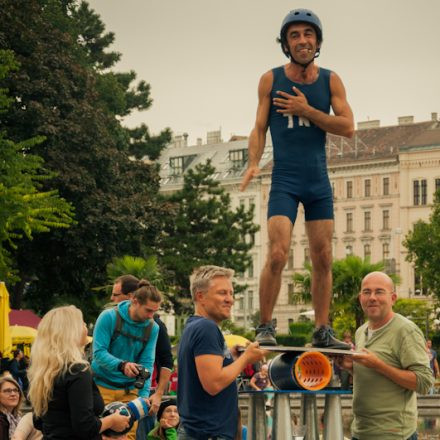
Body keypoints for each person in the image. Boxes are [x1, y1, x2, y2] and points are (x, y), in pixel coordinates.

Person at [240, 8, 354, 347]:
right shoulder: (271, 79)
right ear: (286, 44)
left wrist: (307, 111)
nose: (302, 40)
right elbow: (259, 127)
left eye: (308, 34)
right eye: (295, 35)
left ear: (317, 41)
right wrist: (253, 162)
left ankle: (322, 330)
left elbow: (347, 127)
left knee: (323, 256)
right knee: (277, 253)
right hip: (285, 180)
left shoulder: (330, 80)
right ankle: (264, 327)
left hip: (318, 180)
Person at [339, 272, 433, 440]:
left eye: (379, 292)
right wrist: (351, 368)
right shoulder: (361, 331)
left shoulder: (406, 330)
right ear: (360, 297)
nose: (372, 297)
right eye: (367, 292)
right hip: (360, 432)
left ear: (393, 298)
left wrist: (378, 365)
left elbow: (424, 383)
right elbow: (373, 375)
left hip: (394, 434)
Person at [177, 265, 267, 439]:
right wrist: (246, 358)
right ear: (200, 296)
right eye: (222, 293)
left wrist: (231, 358)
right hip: (209, 434)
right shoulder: (206, 328)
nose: (230, 300)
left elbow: (206, 373)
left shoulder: (193, 326)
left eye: (231, 293)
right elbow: (213, 384)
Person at [27, 305, 130, 440]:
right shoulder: (77, 371)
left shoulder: (43, 371)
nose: (86, 326)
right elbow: (85, 427)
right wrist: (112, 421)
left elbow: (39, 422)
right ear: (71, 332)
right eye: (82, 323)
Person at [92, 279, 161, 440]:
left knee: (127, 436)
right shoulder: (109, 317)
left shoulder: (153, 327)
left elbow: (147, 363)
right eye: (148, 311)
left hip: (130, 391)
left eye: (154, 312)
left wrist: (143, 396)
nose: (151, 316)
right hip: (101, 387)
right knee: (100, 435)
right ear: (134, 301)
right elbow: (98, 353)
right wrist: (122, 366)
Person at [108, 274, 173, 440]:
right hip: (111, 389)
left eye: (116, 294)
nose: (112, 298)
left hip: (142, 392)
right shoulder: (111, 319)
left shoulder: (155, 325)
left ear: (131, 298)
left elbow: (167, 361)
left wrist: (157, 394)